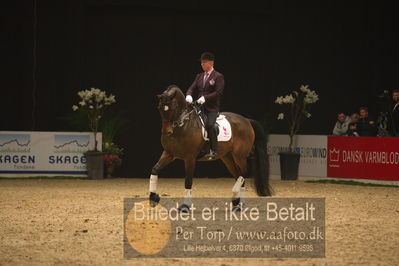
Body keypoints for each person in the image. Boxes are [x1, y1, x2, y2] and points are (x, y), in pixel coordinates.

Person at [185, 52, 225, 159]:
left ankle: (213, 150)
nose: (202, 64)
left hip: (211, 108)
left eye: (204, 62)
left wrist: (205, 98)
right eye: (201, 63)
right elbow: (192, 88)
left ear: (211, 63)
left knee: (210, 125)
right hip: (198, 107)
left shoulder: (218, 76)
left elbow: (218, 92)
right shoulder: (199, 76)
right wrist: (188, 95)